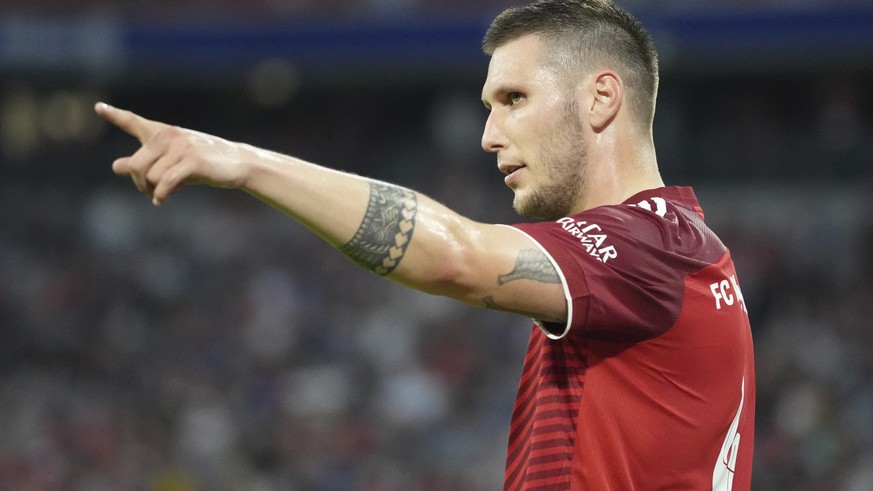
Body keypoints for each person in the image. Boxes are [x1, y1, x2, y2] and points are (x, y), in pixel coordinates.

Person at [95, 0, 755, 489]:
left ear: (601, 97)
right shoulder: (679, 253)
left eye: (514, 98)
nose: (488, 135)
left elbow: (453, 257)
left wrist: (241, 162)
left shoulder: (646, 249)